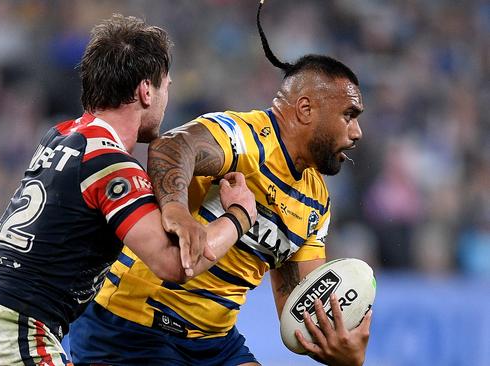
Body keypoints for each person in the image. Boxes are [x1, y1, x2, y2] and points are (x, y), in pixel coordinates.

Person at [0, 14, 256, 366]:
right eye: (165, 86)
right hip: (8, 330)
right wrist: (237, 216)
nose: (166, 97)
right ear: (146, 90)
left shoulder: (58, 135)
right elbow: (175, 264)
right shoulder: (111, 163)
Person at [69, 3, 371, 366]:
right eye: (348, 115)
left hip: (212, 343)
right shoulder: (243, 138)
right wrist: (177, 209)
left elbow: (300, 316)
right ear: (306, 109)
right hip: (130, 327)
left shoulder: (317, 201)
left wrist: (345, 355)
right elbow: (172, 146)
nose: (356, 132)